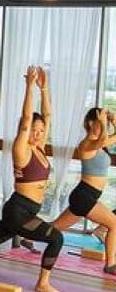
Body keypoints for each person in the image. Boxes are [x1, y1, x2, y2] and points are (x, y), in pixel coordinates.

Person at [0, 66, 64, 292]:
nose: (38, 133)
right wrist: (29, 88)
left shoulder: (38, 148)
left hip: (24, 211)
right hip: (19, 211)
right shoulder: (22, 149)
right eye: (34, 130)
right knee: (56, 238)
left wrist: (45, 88)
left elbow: (47, 116)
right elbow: (27, 119)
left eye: (41, 130)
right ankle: (43, 283)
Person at [38, 107, 116, 282]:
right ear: (90, 123)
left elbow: (107, 139)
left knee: (54, 227)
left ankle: (21, 233)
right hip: (84, 196)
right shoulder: (86, 144)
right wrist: (104, 123)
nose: (104, 126)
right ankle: (111, 265)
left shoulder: (101, 144)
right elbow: (103, 139)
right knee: (114, 224)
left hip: (86, 196)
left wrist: (112, 121)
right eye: (99, 122)